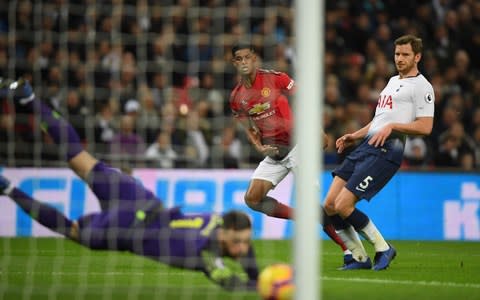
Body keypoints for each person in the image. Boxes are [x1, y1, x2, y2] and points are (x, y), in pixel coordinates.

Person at [0, 78, 258, 291]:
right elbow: (229, 282)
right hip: (127, 228)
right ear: (224, 234)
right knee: (72, 231)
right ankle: (8, 188)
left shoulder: (216, 220)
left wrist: (254, 272)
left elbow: (239, 245)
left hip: (139, 199)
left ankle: (29, 99)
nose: (242, 249)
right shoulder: (202, 253)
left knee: (79, 158)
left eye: (244, 243)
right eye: (238, 242)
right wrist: (259, 287)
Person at [228, 43, 352, 264]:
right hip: (274, 154)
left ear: (254, 58)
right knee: (252, 199)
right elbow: (247, 127)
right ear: (234, 63)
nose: (244, 62)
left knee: (313, 203)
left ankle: (349, 250)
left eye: (248, 57)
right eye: (239, 58)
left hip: (297, 148)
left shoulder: (276, 79)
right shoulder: (237, 97)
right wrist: (258, 146)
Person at [323, 35, 435, 270]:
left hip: (387, 151)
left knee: (344, 205)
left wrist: (393, 127)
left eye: (405, 54)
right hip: (366, 146)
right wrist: (355, 135)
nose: (400, 59)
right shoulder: (393, 81)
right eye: (397, 54)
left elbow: (425, 127)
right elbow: (380, 121)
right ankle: (359, 258)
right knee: (330, 205)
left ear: (417, 56)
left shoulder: (422, 87)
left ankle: (383, 248)